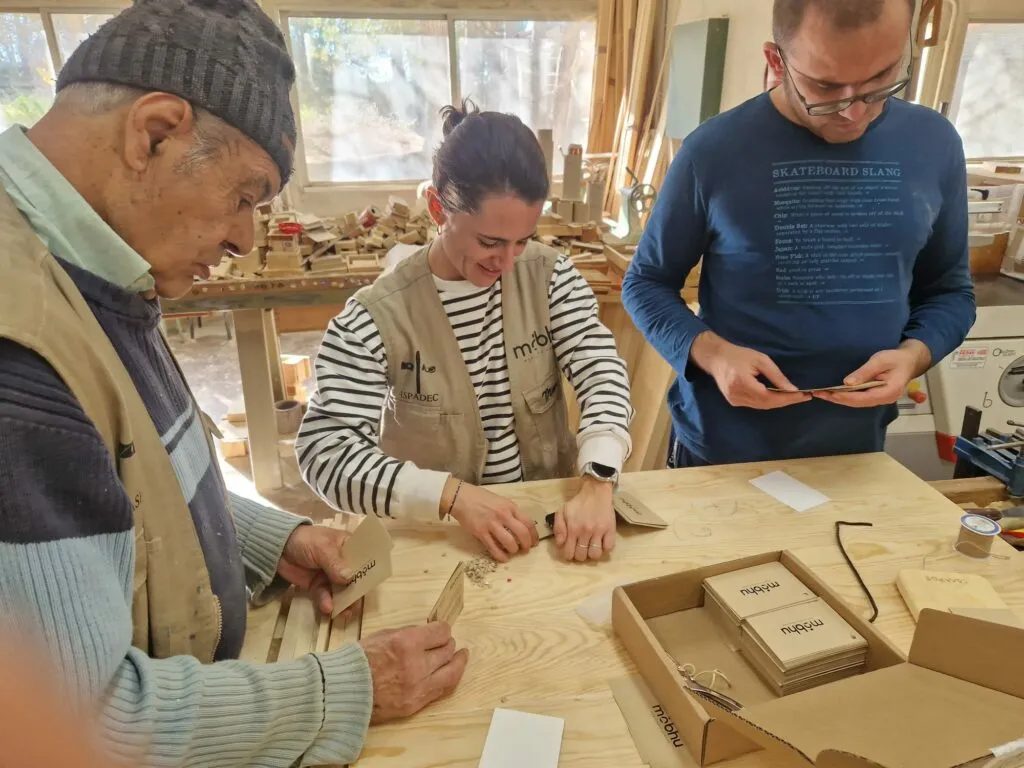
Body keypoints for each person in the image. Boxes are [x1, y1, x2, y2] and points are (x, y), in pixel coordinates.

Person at [0, 2, 466, 766]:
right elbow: (79, 727)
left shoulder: (92, 267)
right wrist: (347, 689)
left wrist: (267, 539)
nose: (247, 238)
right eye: (245, 197)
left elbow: (137, 483)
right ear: (154, 133)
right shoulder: (18, 355)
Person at [621, 0, 975, 467]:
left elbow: (950, 293)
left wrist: (914, 355)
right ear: (776, 61)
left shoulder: (935, 144)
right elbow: (645, 283)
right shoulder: (713, 151)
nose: (855, 113)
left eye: (881, 81)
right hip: (723, 449)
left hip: (857, 451)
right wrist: (713, 354)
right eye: (825, 88)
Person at [297, 101, 635, 564]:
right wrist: (451, 497)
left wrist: (598, 481)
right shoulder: (374, 316)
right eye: (490, 242)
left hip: (543, 529)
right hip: (438, 539)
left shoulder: (553, 278)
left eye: (522, 241)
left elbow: (601, 372)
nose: (507, 263)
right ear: (438, 209)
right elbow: (325, 454)